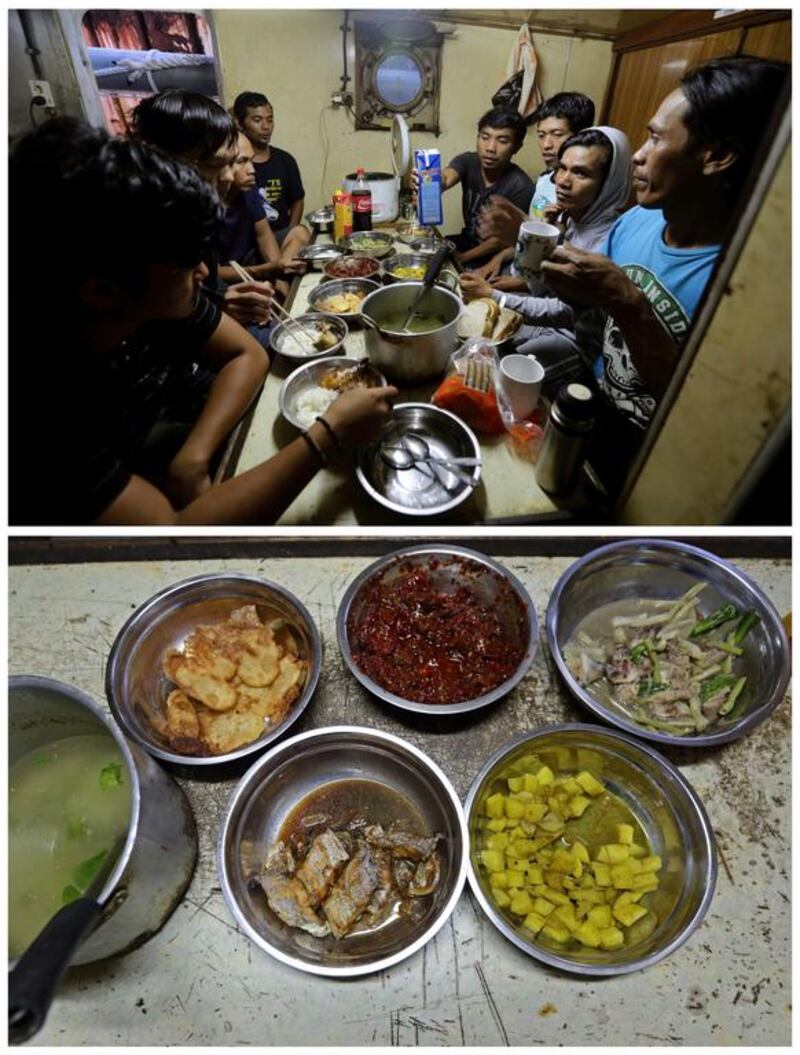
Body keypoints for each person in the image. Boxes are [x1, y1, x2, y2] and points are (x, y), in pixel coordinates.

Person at [9, 119, 396, 526]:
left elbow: (245, 353)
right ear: (101, 291)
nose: (202, 272)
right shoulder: (36, 403)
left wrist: (191, 460)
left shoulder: (147, 288)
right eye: (185, 263)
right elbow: (172, 533)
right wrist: (329, 432)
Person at [480, 55, 788, 488]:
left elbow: (704, 419)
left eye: (656, 140)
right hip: (595, 406)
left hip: (657, 455)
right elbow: (585, 313)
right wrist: (532, 249)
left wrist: (628, 302)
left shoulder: (750, 288)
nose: (638, 157)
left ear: (717, 155)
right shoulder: (636, 222)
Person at [460, 127, 630, 371]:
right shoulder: (570, 219)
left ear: (608, 183)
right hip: (549, 322)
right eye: (562, 168)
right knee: (475, 342)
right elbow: (538, 287)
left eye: (580, 173)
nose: (562, 181)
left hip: (576, 341)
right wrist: (544, 238)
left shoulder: (611, 236)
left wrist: (494, 295)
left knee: (493, 371)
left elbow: (563, 312)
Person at [132, 90, 274, 330]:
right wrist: (217, 309)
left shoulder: (198, 216)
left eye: (231, 162)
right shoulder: (143, 233)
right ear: (163, 163)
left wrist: (218, 303)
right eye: (215, 165)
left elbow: (202, 300)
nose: (229, 176)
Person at [475, 91, 595, 289]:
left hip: (539, 289)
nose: (546, 145)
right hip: (517, 271)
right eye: (541, 135)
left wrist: (518, 284)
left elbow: (574, 276)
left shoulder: (581, 195)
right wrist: (497, 259)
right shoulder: (544, 181)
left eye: (557, 135)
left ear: (581, 136)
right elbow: (529, 237)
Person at [414, 107, 534, 269]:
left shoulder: (521, 186)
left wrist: (462, 258)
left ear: (517, 147)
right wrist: (429, 181)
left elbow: (498, 241)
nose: (490, 148)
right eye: (485, 137)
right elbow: (447, 177)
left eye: (502, 141)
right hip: (466, 241)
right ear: (477, 137)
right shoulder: (468, 161)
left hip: (492, 258)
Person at [218, 130, 307, 303]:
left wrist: (279, 275)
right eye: (241, 162)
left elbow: (264, 233)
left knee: (300, 233)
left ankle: (280, 297)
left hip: (249, 256)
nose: (252, 170)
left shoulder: (247, 189)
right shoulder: (206, 201)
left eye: (251, 161)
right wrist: (266, 270)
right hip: (225, 273)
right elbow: (212, 272)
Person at [233, 91, 310, 260]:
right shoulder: (232, 165)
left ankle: (281, 280)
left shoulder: (285, 160)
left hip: (277, 235)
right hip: (246, 246)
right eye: (257, 120)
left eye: (270, 119)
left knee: (300, 233)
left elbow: (297, 199)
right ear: (239, 123)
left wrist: (290, 230)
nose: (266, 126)